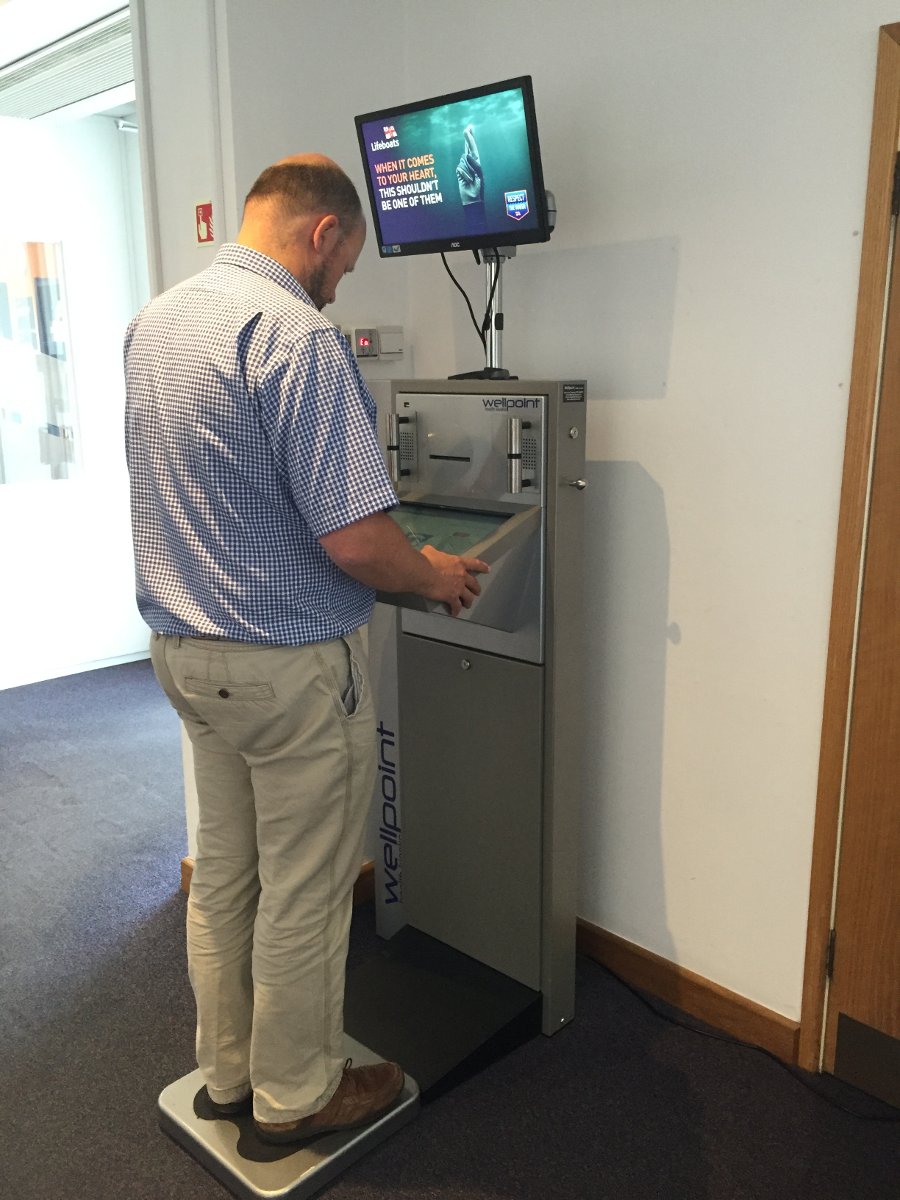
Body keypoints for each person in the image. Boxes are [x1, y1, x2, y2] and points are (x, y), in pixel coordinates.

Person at [124, 153, 489, 1145]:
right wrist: (436, 575)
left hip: (184, 657)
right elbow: (358, 541)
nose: (342, 285)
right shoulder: (297, 336)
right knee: (306, 888)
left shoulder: (155, 323)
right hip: (284, 671)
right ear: (322, 233)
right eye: (349, 263)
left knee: (230, 874)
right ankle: (296, 1098)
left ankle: (231, 1074)